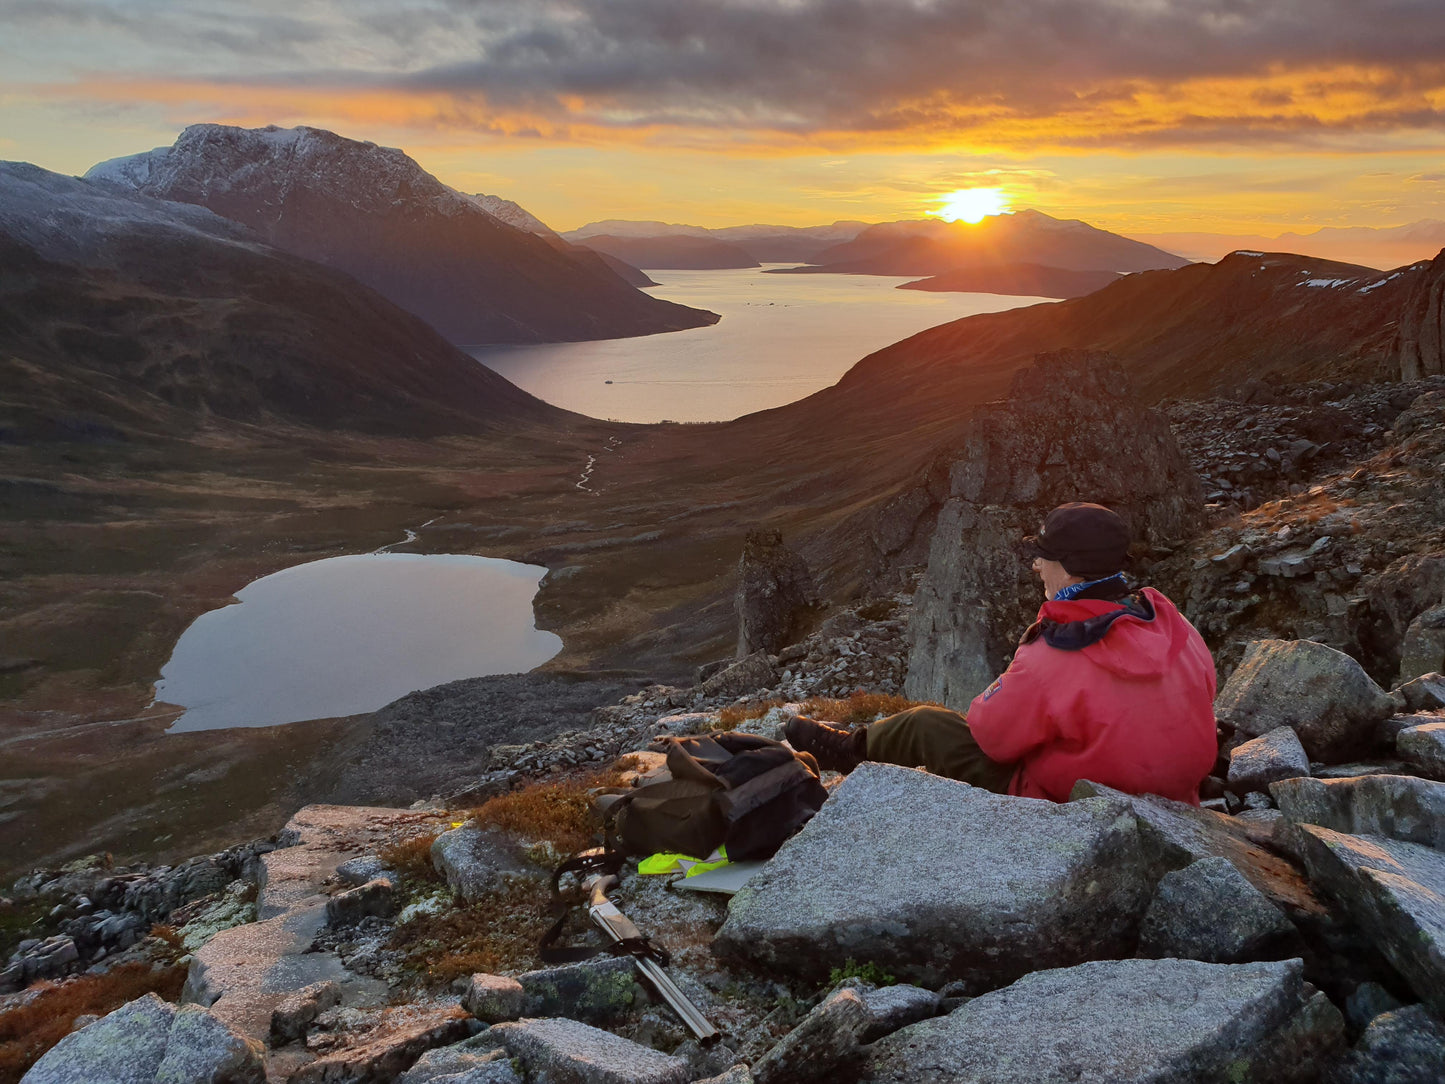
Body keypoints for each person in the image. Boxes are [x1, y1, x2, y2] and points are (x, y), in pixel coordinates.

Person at [785, 502, 1218, 804]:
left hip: (1071, 802)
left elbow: (989, 735)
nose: (1035, 566)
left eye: (1043, 557)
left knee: (927, 724)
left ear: (1068, 566)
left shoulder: (1055, 654)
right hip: (1179, 793)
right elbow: (1206, 688)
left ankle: (847, 750)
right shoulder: (1168, 618)